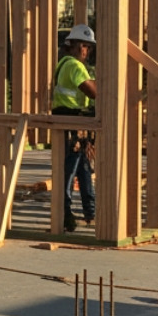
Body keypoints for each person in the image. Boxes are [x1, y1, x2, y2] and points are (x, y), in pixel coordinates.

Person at [52, 24, 98, 233]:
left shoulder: (62, 63)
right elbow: (93, 92)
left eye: (88, 47)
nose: (85, 51)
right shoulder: (74, 66)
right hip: (71, 122)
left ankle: (91, 213)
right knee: (69, 172)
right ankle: (65, 216)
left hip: (74, 122)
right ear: (71, 45)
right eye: (82, 46)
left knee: (84, 169)